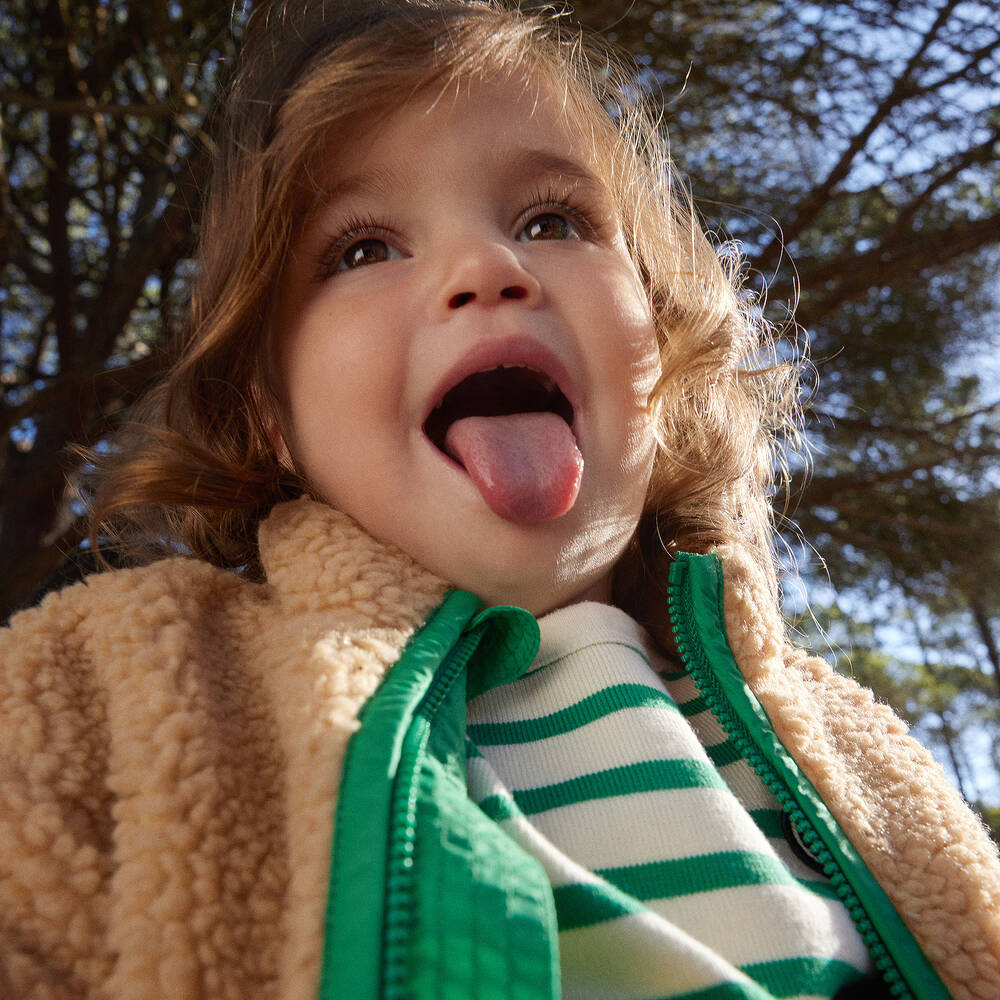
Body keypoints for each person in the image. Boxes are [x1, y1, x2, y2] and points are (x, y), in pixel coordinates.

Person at [1, 1, 998, 998]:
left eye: (550, 221)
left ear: (660, 334)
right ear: (271, 414)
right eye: (362, 249)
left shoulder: (858, 753)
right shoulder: (120, 681)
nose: (488, 268)